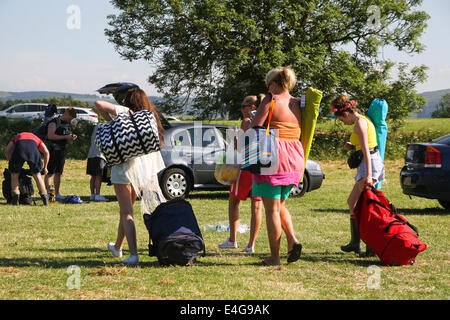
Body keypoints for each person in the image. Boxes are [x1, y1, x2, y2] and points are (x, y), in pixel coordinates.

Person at [94, 87, 166, 266]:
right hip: (141, 171)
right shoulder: (147, 117)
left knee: (127, 213)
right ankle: (118, 247)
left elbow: (98, 103)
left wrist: (113, 117)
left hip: (123, 170)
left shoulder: (125, 113)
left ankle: (133, 254)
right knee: (126, 211)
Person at [250, 66, 304, 266]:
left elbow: (255, 126)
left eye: (268, 84)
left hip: (273, 156)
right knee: (280, 205)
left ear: (274, 83)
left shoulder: (270, 99)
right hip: (295, 158)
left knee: (271, 209)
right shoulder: (297, 103)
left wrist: (247, 123)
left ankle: (274, 258)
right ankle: (292, 240)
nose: (268, 87)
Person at [331, 95, 385, 257]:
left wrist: (369, 175)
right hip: (367, 163)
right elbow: (365, 142)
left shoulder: (360, 123)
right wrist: (351, 144)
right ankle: (356, 243)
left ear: (346, 114)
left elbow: (367, 152)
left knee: (365, 206)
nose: (343, 123)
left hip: (370, 164)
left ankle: (371, 246)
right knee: (353, 203)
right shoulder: (362, 120)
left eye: (342, 120)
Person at [219, 95, 263, 253]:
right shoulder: (264, 121)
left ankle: (232, 239)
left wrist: (234, 137)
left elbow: (239, 148)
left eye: (244, 105)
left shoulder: (246, 122)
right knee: (257, 206)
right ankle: (251, 244)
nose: (241, 108)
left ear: (251, 107)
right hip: (261, 168)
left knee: (233, 202)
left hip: (245, 168)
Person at [4, 132, 50, 205]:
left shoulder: (17, 136)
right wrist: (45, 167)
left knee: (14, 175)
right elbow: (46, 152)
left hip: (19, 151)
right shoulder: (35, 137)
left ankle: (15, 200)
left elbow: (7, 151)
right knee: (37, 175)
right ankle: (45, 199)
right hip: (33, 152)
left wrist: (12, 161)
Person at [44, 107, 77, 201]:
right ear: (66, 114)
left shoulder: (67, 123)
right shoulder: (54, 122)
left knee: (58, 173)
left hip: (62, 151)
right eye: (70, 118)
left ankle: (57, 193)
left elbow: (65, 134)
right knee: (50, 173)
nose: (71, 120)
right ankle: (47, 194)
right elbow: (50, 135)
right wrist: (66, 136)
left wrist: (70, 136)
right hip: (53, 150)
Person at [86, 125, 109, 202]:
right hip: (99, 155)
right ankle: (98, 195)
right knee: (98, 176)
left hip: (91, 154)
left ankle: (92, 194)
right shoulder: (106, 128)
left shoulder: (96, 128)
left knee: (93, 176)